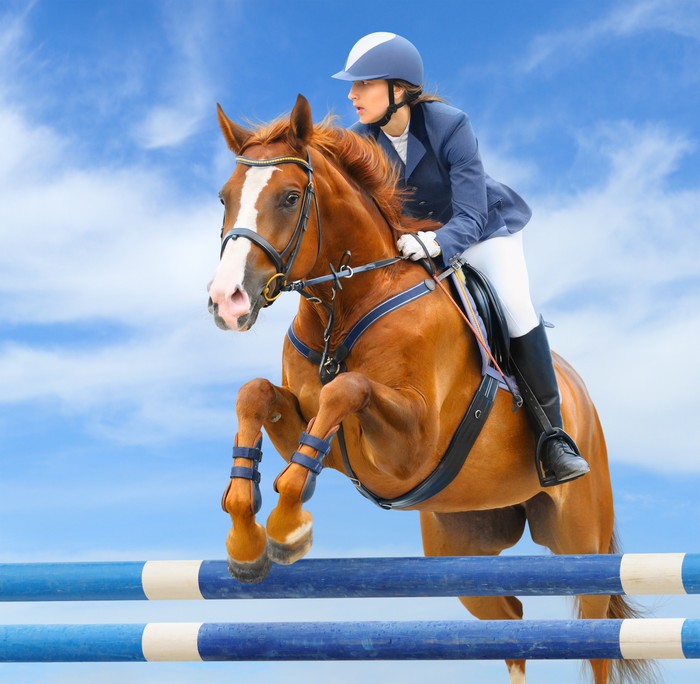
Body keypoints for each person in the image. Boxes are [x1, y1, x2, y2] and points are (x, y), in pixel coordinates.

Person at [332, 32, 589, 486]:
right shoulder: (359, 142)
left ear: (399, 89)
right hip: (410, 243)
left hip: (482, 232)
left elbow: (470, 213)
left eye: (364, 84)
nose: (352, 95)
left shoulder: (450, 125)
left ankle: (553, 438)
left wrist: (436, 244)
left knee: (514, 307)